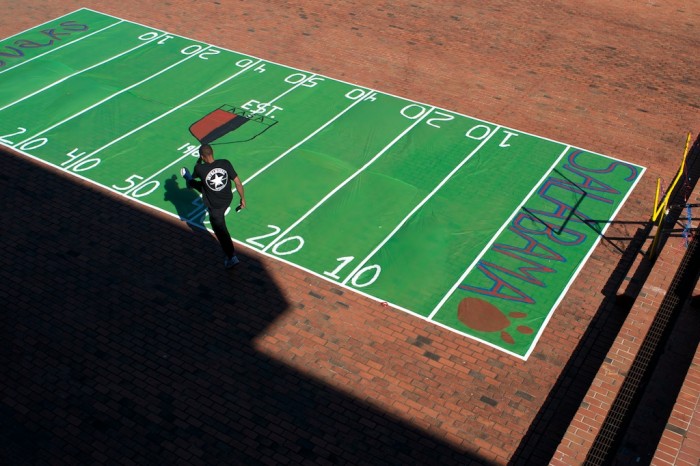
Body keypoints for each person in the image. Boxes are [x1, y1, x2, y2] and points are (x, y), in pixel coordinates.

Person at [181, 144, 245, 268]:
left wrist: (198, 163)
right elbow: (237, 182)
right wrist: (242, 198)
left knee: (221, 231)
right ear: (212, 152)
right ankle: (189, 181)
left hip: (215, 207)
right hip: (227, 199)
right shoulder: (225, 163)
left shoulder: (200, 168)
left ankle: (232, 257)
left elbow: (196, 174)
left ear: (202, 156)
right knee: (203, 186)